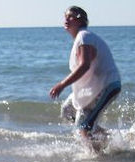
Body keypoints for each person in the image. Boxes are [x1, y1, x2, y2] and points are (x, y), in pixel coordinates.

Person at [49, 6, 121, 151]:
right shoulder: (81, 38)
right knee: (67, 110)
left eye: (70, 16)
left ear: (80, 19)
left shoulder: (84, 36)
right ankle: (107, 138)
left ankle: (96, 156)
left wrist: (62, 84)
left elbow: (84, 65)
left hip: (106, 86)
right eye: (65, 16)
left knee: (83, 126)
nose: (66, 19)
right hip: (91, 88)